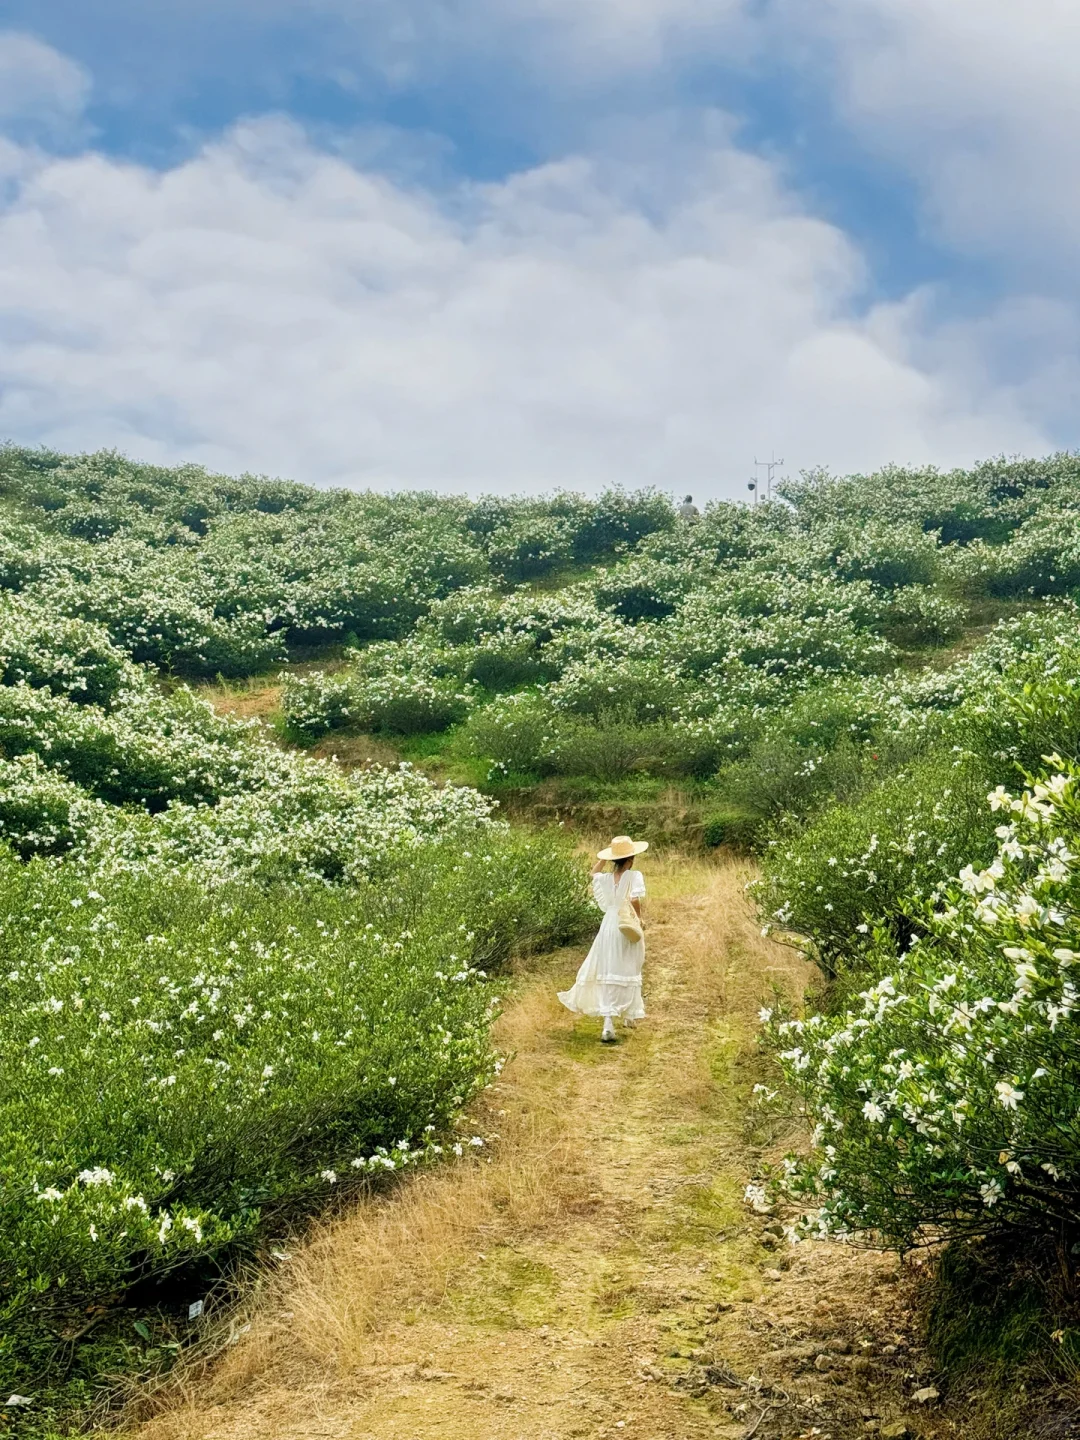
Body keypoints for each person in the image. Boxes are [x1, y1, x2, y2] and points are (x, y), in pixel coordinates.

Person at [558, 835, 648, 1042]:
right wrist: (640, 918)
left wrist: (604, 857)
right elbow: (634, 898)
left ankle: (609, 1024)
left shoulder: (605, 878)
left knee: (608, 968)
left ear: (614, 859)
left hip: (609, 925)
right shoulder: (634, 876)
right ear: (631, 858)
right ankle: (629, 1014)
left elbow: (593, 872)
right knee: (631, 964)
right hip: (625, 922)